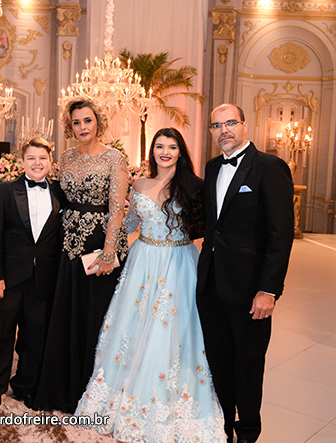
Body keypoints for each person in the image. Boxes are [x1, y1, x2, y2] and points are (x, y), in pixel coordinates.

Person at [75, 127, 226, 442]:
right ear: (152, 150)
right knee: (132, 324)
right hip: (142, 261)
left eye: (172, 147)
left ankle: (168, 403)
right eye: (160, 146)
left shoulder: (194, 186)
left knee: (173, 330)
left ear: (180, 152)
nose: (165, 152)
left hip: (178, 262)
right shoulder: (139, 183)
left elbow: (208, 226)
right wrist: (105, 246)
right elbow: (130, 222)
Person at [196, 104, 294, 443]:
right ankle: (222, 426)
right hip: (211, 283)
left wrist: (269, 290)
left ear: (244, 125)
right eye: (216, 125)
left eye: (230, 123)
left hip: (250, 288)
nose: (223, 130)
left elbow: (281, 235)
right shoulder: (212, 167)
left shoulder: (269, 167)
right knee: (219, 360)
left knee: (249, 364)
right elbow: (213, 225)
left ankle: (248, 431)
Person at [34, 97, 130, 413]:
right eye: (76, 122)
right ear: (70, 127)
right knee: (67, 311)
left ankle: (91, 391)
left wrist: (109, 251)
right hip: (68, 245)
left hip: (100, 244)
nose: (82, 127)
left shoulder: (114, 158)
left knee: (94, 314)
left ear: (97, 122)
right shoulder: (66, 157)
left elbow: (117, 208)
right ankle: (61, 387)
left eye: (87, 120)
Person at [0, 137, 67, 416]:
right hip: (8, 279)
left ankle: (26, 386)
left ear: (51, 162)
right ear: (22, 162)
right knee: (1, 336)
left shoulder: (60, 192)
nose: (37, 163)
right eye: (31, 158)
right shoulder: (5, 191)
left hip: (43, 279)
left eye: (42, 158)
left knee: (35, 337)